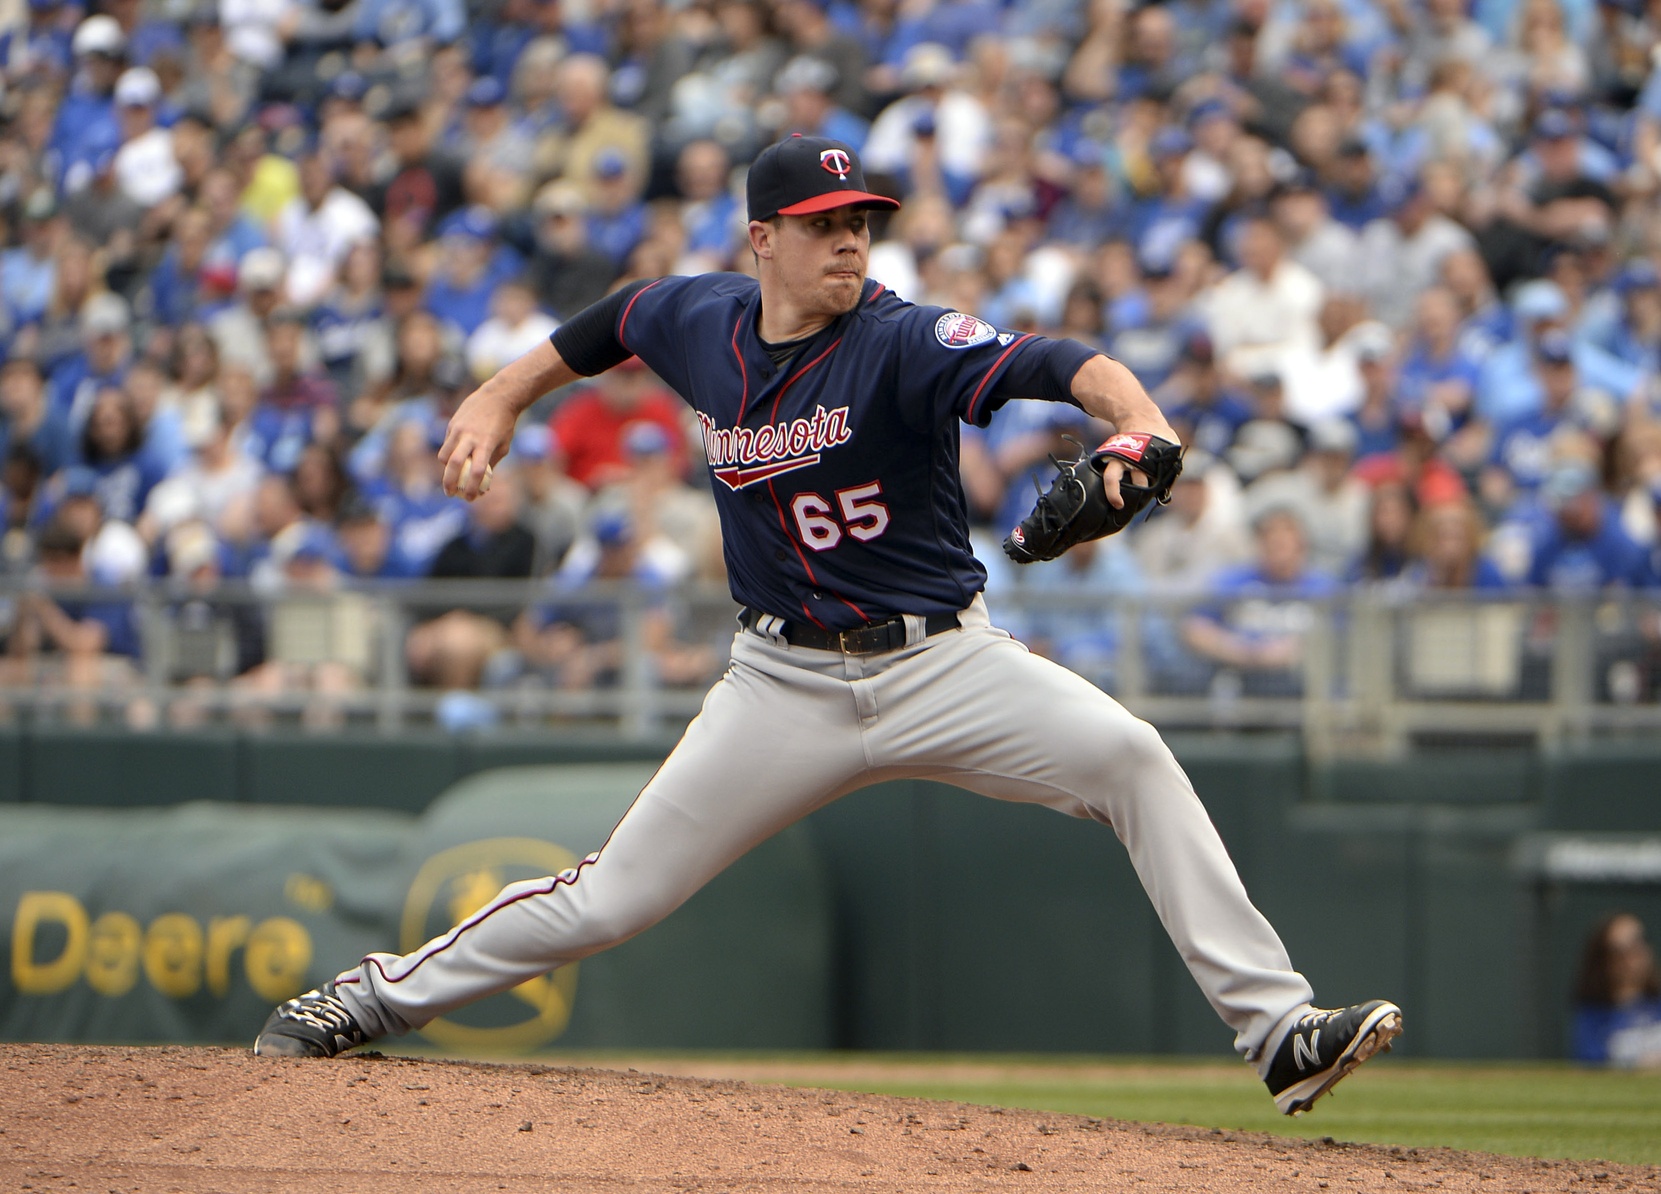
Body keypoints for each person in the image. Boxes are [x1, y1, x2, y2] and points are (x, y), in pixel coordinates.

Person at [252, 135, 1402, 1116]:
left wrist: (1138, 427)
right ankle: (368, 996)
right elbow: (608, 326)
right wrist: (497, 395)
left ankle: (1278, 1034)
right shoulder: (701, 318)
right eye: (822, 224)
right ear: (763, 241)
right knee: (613, 897)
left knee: (1130, 757)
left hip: (939, 660)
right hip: (778, 684)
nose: (850, 241)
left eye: (861, 221)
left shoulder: (900, 338)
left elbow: (1055, 361)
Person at [1571, 913, 1661, 1067]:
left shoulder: (1656, 1005)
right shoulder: (1594, 1017)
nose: (1633, 956)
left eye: (1639, 943)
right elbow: (1589, 1064)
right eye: (1621, 950)